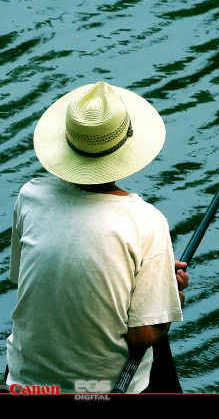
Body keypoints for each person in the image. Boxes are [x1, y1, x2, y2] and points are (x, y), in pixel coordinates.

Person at [3, 80, 188, 394]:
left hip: (27, 385)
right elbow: (142, 335)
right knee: (156, 327)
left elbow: (34, 279)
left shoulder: (30, 195)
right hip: (98, 391)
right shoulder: (147, 221)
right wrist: (169, 297)